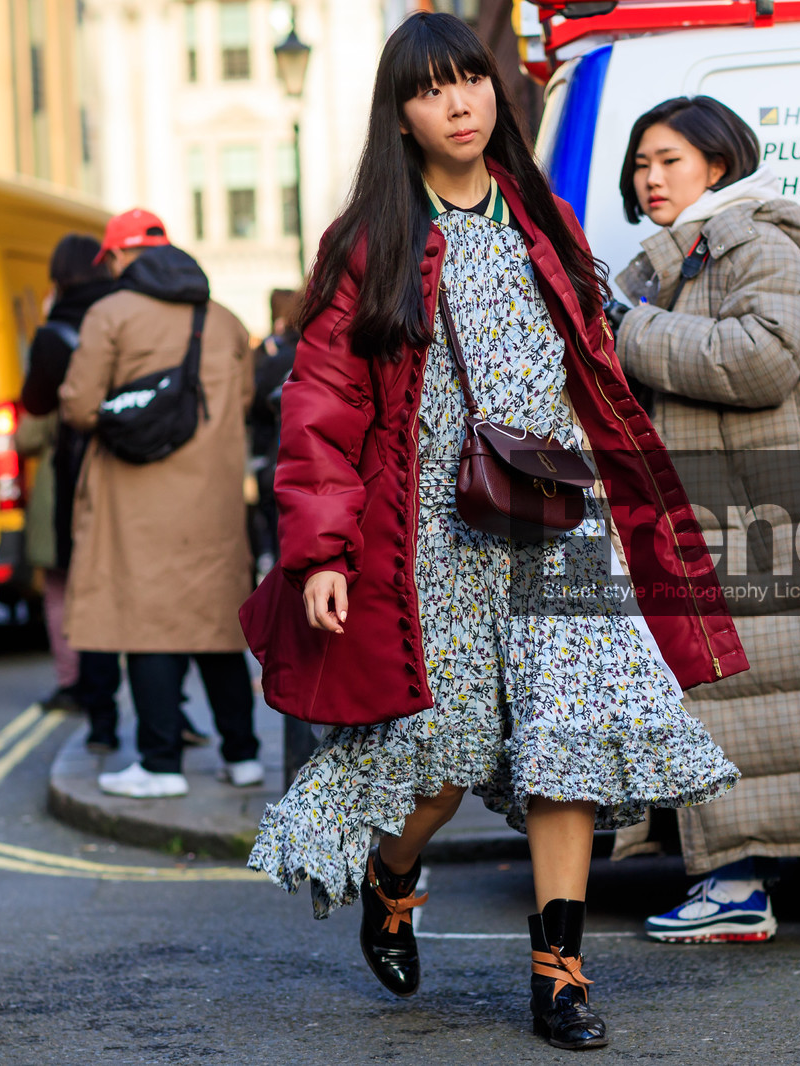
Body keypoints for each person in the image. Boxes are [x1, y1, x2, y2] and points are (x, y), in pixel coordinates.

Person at [240, 13, 744, 1051]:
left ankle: (558, 974)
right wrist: (322, 553)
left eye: (472, 80)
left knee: (568, 747)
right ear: (403, 116)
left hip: (562, 520)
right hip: (431, 530)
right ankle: (391, 873)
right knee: (441, 759)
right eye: (433, 89)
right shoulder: (370, 241)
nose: (460, 102)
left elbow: (594, 360)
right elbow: (321, 405)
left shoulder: (545, 217)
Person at [602, 96, 800, 949]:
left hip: (783, 518)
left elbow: (764, 358)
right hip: (716, 522)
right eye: (640, 164)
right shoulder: (672, 261)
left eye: (668, 159)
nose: (651, 177)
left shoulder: (754, 241)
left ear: (718, 163)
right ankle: (734, 883)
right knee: (726, 704)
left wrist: (629, 328)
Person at [58, 209, 262, 798]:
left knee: (149, 623)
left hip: (137, 491)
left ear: (120, 257)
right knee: (217, 621)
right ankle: (244, 755)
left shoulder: (110, 314)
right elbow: (245, 399)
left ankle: (160, 762)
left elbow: (77, 404)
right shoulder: (224, 320)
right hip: (216, 498)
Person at [19, 234, 126, 745]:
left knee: (65, 583)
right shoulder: (126, 314)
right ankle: (170, 715)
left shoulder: (54, 332)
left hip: (71, 473)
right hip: (129, 467)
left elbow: (35, 406)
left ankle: (83, 693)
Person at [247, 288, 299, 574]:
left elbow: (254, 400)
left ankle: (268, 560)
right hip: (299, 459)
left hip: (272, 454)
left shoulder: (273, 355)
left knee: (273, 522)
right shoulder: (318, 351)